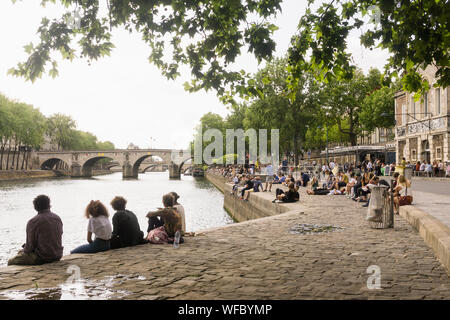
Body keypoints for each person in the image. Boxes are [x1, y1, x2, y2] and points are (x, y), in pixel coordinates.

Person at [8, 195, 63, 266]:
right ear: (49, 205)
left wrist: (23, 250)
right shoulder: (57, 218)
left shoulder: (33, 222)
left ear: (35, 207)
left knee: (11, 261)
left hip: (42, 258)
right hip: (57, 255)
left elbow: (29, 248)